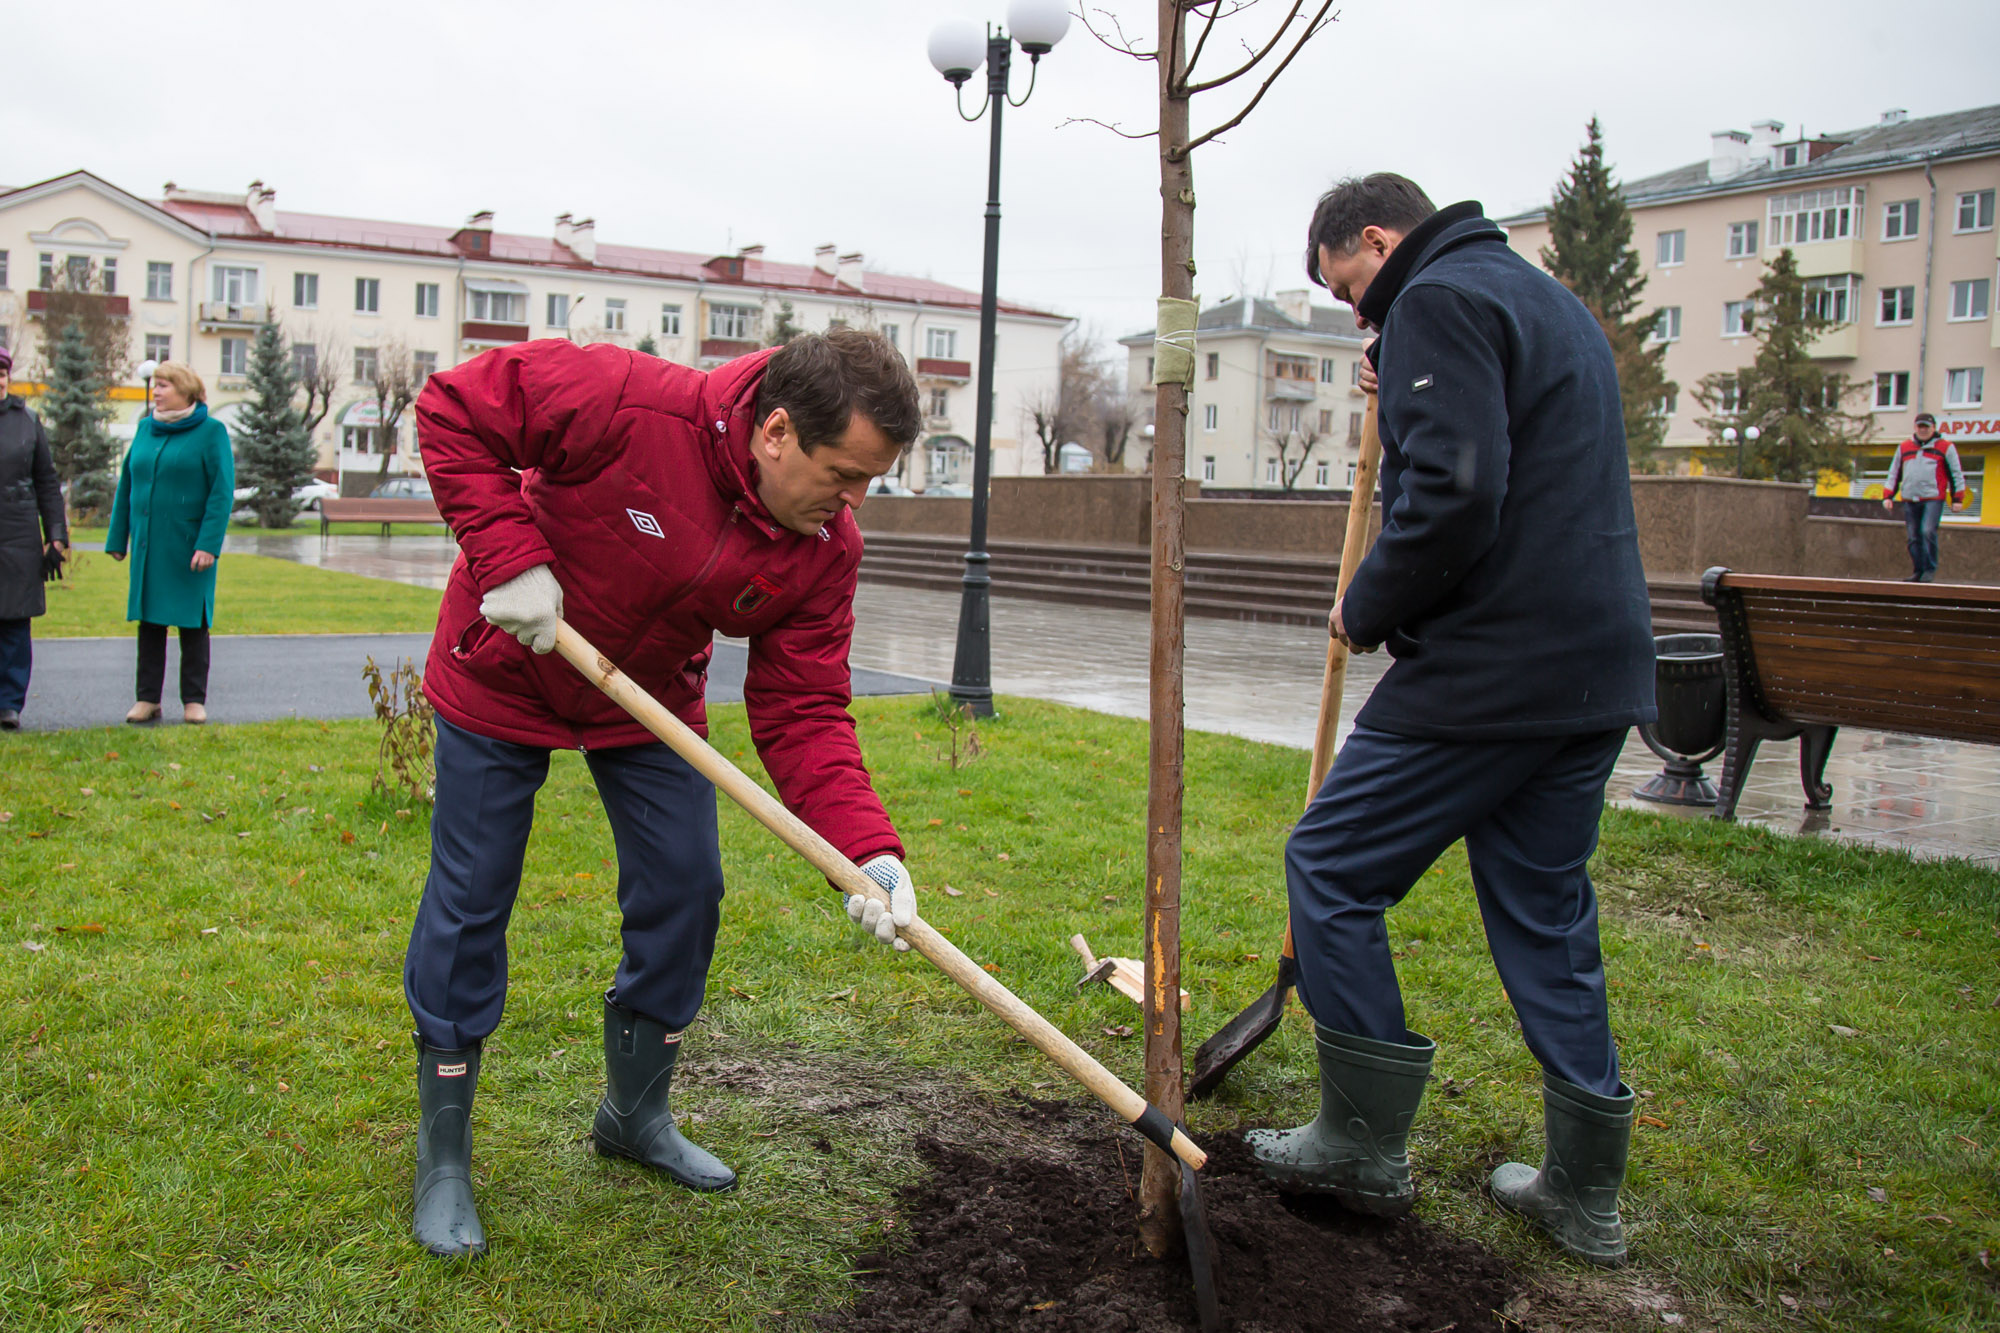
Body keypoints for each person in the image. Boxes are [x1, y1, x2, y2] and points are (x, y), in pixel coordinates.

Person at [403, 329, 925, 1258]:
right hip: (506, 666)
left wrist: (868, 851)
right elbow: (453, 408)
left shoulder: (822, 550)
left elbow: (803, 706)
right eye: (845, 474)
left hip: (644, 698)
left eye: (870, 482)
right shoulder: (621, 398)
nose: (853, 504)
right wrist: (508, 555)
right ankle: (444, 1153)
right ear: (774, 433)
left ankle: (634, 1115)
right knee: (473, 893)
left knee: (686, 888)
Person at [1244, 174, 1657, 1267]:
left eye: (1350, 288)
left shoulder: (1435, 300)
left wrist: (1366, 600)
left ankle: (1358, 1143)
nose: (1358, 317)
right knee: (1543, 909)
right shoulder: (1538, 297)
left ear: (1378, 238)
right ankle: (1581, 1192)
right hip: (1594, 665)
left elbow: (1460, 491)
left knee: (1330, 864)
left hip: (1492, 667)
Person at [105, 361, 234, 724]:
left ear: (185, 390)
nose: (156, 392)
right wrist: (118, 538)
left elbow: (221, 492)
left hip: (191, 547)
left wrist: (209, 543)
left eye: (163, 385)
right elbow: (127, 484)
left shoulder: (212, 432)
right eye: (155, 385)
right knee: (150, 621)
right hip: (150, 544)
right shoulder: (146, 428)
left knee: (193, 622)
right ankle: (147, 699)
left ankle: (193, 700)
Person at [0, 345, 69, 731]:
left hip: (17, 534)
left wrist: (55, 535)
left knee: (14, 622)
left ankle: (9, 704)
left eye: (1, 374)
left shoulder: (27, 421)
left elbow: (46, 480)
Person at [1882, 413, 1967, 582]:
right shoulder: (1904, 447)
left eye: (1926, 427)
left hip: (1933, 498)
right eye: (1920, 426)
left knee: (1927, 531)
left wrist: (1957, 499)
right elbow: (1894, 472)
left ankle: (1929, 569)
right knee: (1913, 537)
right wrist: (1888, 495)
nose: (1923, 430)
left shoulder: (1945, 447)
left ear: (1933, 428)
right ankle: (1918, 570)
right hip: (1910, 498)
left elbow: (1956, 474)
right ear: (1915, 428)